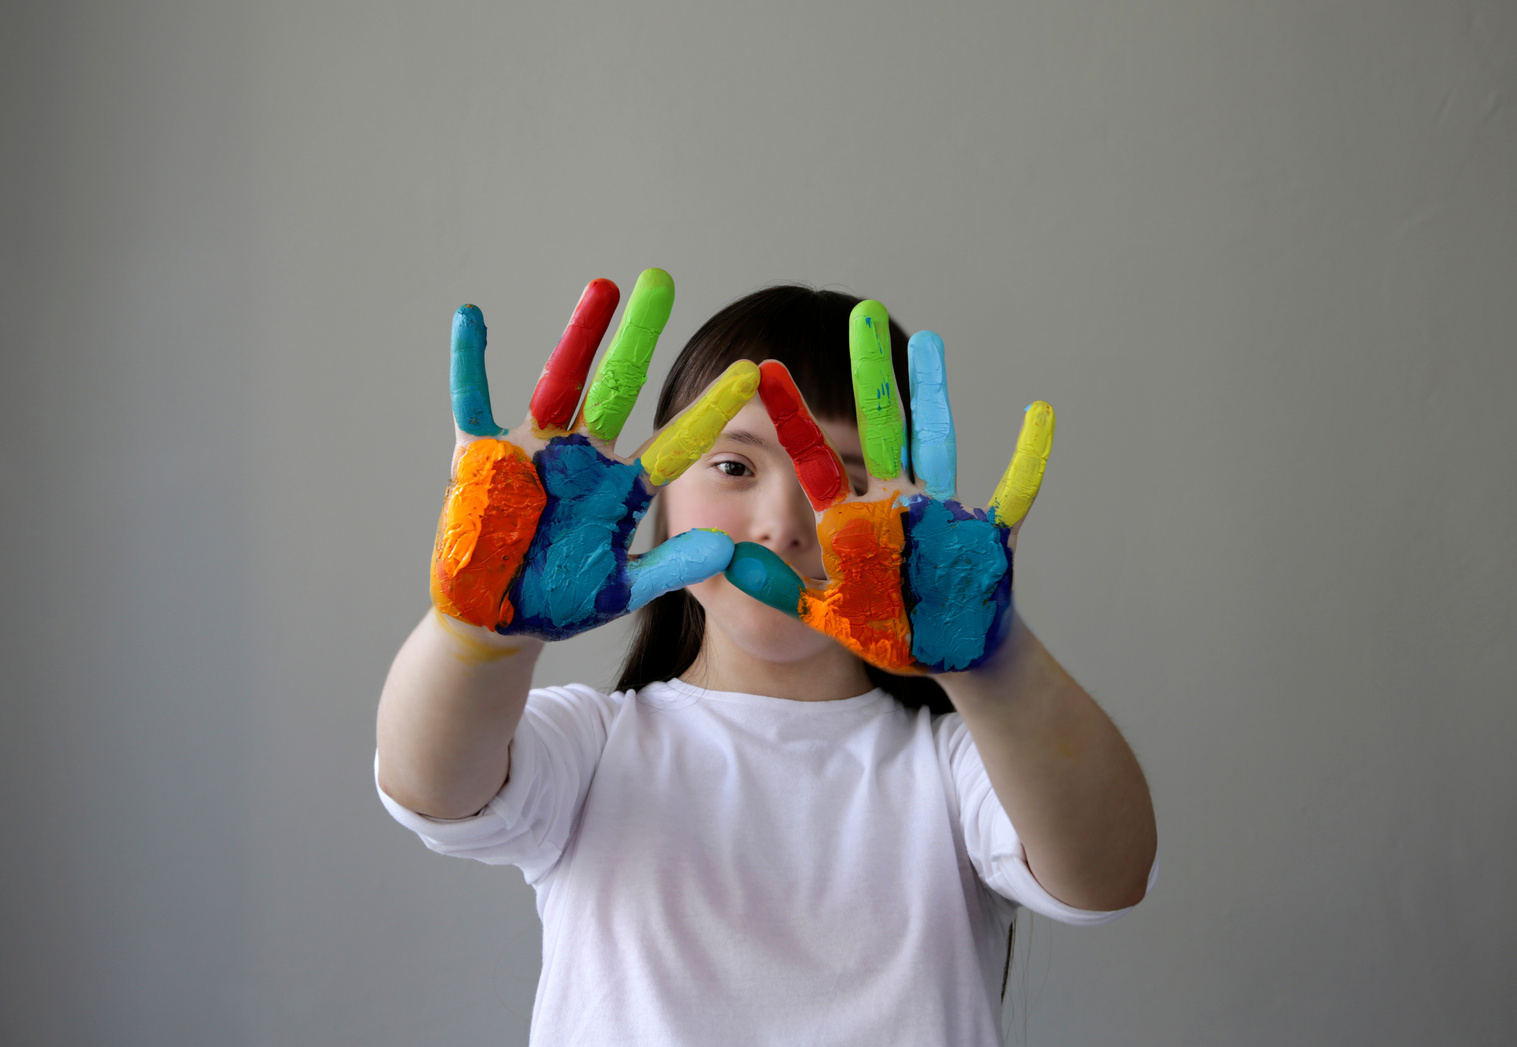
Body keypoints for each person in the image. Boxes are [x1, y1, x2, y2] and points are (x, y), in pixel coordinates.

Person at [376, 269, 1158, 1046]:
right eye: (734, 466)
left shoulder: (957, 770)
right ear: (655, 495)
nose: (783, 525)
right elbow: (432, 786)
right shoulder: (592, 749)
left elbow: (1105, 876)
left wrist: (995, 660)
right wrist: (479, 638)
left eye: (841, 483)